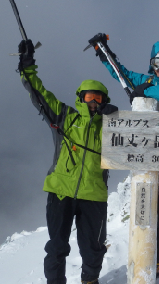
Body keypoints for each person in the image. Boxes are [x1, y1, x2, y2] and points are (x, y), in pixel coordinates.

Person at [87, 33, 159, 275]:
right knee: (146, 203)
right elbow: (121, 74)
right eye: (158, 63)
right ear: (151, 63)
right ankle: (147, 251)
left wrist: (144, 91)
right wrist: (104, 54)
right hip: (144, 151)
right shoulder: (145, 80)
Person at [17, 39, 118, 284]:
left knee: (93, 247)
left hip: (93, 194)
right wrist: (26, 65)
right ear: (80, 98)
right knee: (57, 247)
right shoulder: (65, 117)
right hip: (61, 190)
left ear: (104, 101)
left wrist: (116, 118)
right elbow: (38, 93)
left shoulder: (112, 126)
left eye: (98, 98)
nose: (92, 102)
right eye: (88, 97)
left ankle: (90, 280)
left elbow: (140, 140)